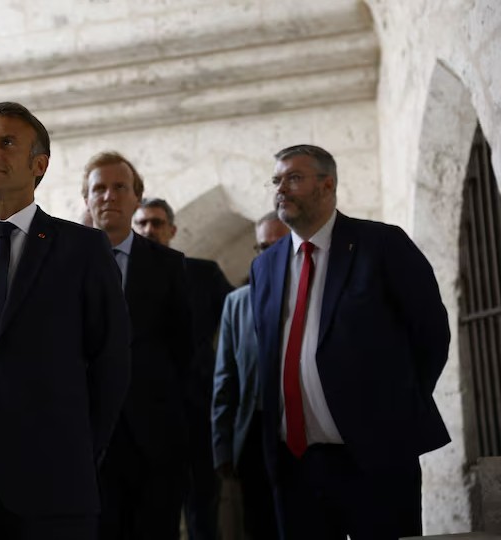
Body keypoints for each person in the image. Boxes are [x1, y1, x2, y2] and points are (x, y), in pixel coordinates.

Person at [0, 102, 131, 540]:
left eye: (6, 142)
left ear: (39, 165)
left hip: (56, 482)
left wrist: (79, 450)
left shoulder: (83, 248)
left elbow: (110, 360)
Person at [251, 145, 450, 538]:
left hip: (375, 458)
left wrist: (391, 409)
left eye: (294, 178)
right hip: (296, 464)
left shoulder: (382, 245)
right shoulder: (265, 265)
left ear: (328, 185)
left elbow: (431, 334)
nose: (281, 189)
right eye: (276, 180)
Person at [82, 151, 195, 540]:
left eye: (120, 187)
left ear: (136, 198)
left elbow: (187, 358)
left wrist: (186, 442)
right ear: (87, 199)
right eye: (99, 188)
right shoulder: (63, 266)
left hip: (157, 443)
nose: (109, 196)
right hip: (86, 444)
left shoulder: (169, 265)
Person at [132, 197, 233, 540]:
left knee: (203, 501)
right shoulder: (117, 274)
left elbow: (238, 329)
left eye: (157, 223)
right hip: (143, 409)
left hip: (197, 405)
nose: (149, 230)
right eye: (142, 223)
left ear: (172, 230)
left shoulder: (203, 273)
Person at [211, 211, 288, 539]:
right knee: (259, 524)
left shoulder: (312, 294)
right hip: (253, 432)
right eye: (262, 247)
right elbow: (225, 378)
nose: (268, 254)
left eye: (277, 245)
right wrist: (223, 447)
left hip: (301, 431)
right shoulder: (237, 303)